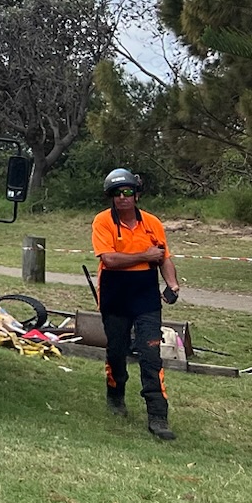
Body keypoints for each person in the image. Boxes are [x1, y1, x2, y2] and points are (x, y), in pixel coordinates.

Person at [91, 168, 181, 440]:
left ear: (137, 194)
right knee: (117, 352)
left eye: (128, 192)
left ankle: (158, 415)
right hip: (114, 294)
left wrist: (173, 284)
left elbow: (163, 257)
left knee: (150, 355)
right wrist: (145, 256)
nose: (122, 198)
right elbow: (110, 260)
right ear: (111, 197)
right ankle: (115, 394)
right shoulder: (103, 221)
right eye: (116, 194)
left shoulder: (152, 223)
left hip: (146, 296)